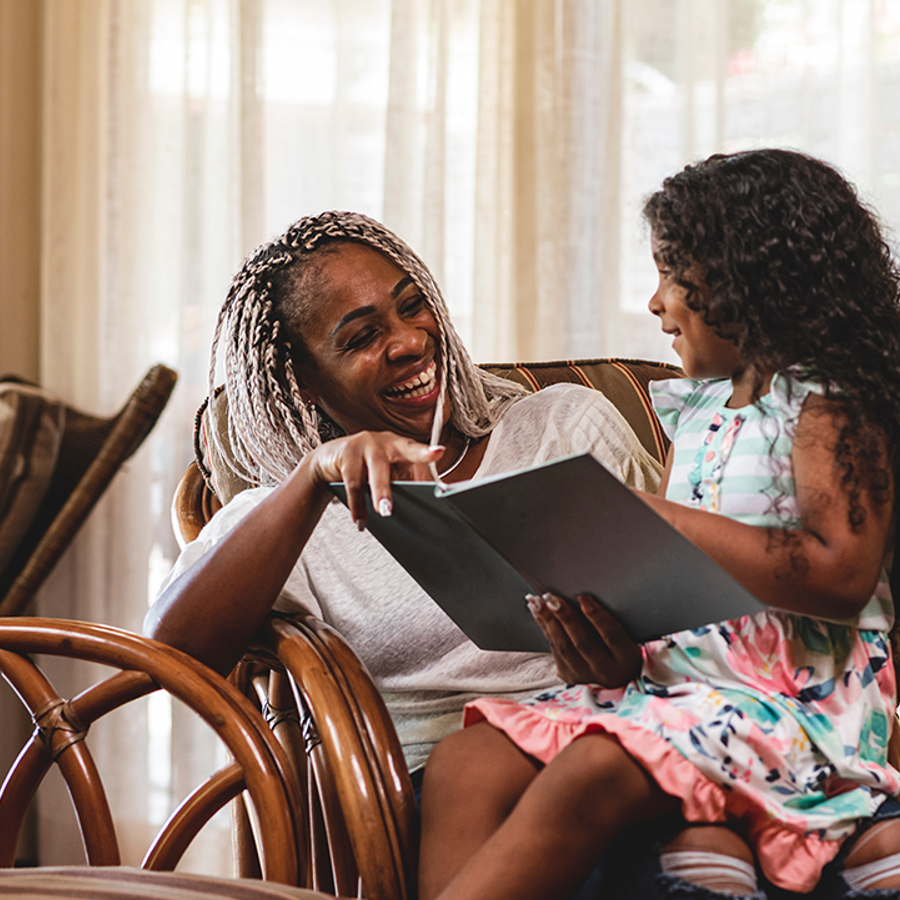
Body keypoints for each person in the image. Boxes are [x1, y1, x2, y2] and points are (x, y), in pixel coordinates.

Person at [415, 149, 900, 900]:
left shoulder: (826, 403)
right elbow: (686, 600)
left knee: (593, 768)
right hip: (682, 689)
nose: (654, 302)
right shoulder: (698, 411)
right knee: (464, 762)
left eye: (673, 275)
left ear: (751, 281)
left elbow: (840, 574)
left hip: (794, 709)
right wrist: (603, 636)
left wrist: (656, 517)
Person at [144, 210, 662, 782]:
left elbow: (689, 614)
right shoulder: (296, 515)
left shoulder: (565, 427)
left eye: (413, 306)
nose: (411, 342)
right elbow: (176, 655)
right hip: (434, 792)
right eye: (363, 337)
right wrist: (314, 476)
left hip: (621, 751)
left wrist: (626, 667)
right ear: (304, 381)